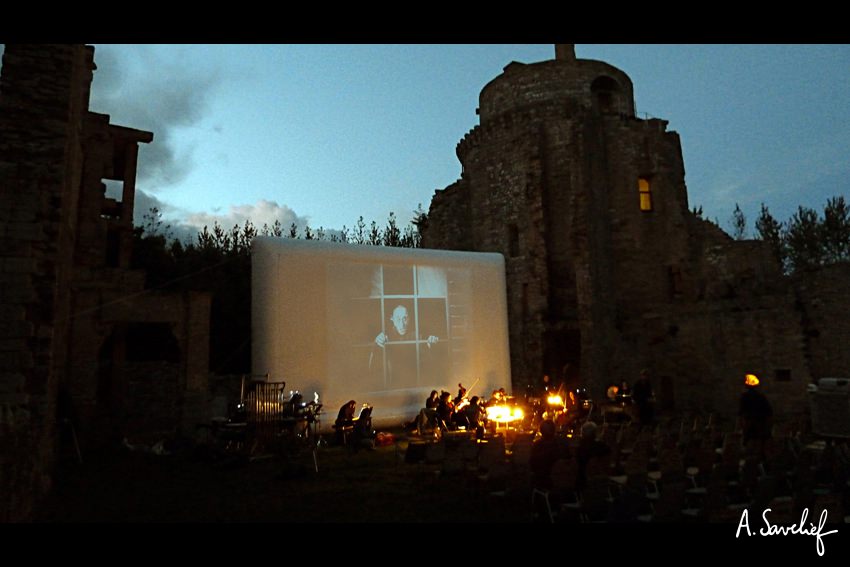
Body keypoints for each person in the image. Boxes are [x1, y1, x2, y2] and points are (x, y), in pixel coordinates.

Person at [371, 305, 440, 388]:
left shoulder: (417, 335)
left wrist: (430, 343)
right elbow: (373, 369)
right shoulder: (385, 336)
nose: (402, 324)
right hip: (392, 385)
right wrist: (376, 343)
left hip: (414, 384)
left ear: (410, 318)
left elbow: (427, 363)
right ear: (392, 318)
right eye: (398, 319)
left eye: (405, 318)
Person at [529, 419, 571, 491]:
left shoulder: (538, 445)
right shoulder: (563, 442)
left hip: (547, 480)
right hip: (567, 478)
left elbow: (532, 464)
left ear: (541, 431)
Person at [739, 373, 773, 460]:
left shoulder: (745, 397)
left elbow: (742, 411)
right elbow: (769, 411)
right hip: (759, 424)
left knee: (752, 443)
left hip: (753, 424)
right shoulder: (760, 397)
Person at [575, 421, 611, 492]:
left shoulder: (580, 449)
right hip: (602, 478)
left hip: (584, 480)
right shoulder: (603, 446)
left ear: (583, 434)